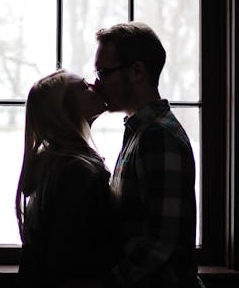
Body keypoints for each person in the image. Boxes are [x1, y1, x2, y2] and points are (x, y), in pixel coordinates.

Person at [69, 22, 204, 288]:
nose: (97, 83)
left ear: (137, 72)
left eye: (104, 72)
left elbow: (159, 245)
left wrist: (103, 285)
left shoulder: (158, 136)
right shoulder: (140, 132)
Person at [16, 69, 122, 288]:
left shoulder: (56, 164)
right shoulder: (77, 171)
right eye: (84, 86)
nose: (96, 86)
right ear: (65, 109)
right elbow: (70, 260)